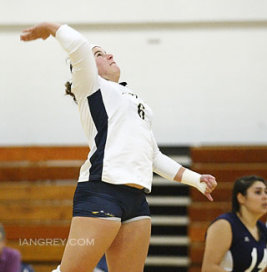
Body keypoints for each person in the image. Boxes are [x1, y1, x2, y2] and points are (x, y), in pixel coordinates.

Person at [20, 22, 217, 272]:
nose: (110, 55)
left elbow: (153, 156)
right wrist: (51, 27)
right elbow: (79, 46)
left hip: (136, 200)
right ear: (84, 68)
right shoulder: (90, 87)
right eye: (99, 54)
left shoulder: (136, 102)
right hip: (102, 191)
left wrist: (195, 179)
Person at [201, 175, 267, 272]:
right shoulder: (224, 225)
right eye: (258, 192)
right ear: (241, 198)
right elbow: (208, 269)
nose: (265, 197)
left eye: (266, 192)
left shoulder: (262, 228)